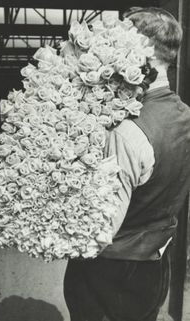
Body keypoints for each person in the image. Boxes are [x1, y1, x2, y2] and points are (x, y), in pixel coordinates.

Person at [64, 7, 190, 321]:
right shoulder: (185, 115)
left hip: (111, 273)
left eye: (119, 45)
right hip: (157, 265)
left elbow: (102, 229)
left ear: (139, 52)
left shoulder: (127, 131)